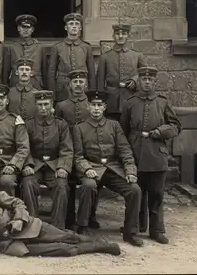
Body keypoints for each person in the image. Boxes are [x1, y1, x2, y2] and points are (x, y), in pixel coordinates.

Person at [0, 173, 121, 261]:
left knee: (67, 236)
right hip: (12, 242)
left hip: (29, 226)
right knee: (63, 249)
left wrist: (20, 220)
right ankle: (98, 248)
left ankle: (101, 243)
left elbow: (18, 203)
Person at [73, 90, 143, 246]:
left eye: (99, 105)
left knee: (134, 189)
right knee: (88, 185)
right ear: (87, 106)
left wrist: (130, 171)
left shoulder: (114, 125)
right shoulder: (79, 128)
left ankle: (130, 231)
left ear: (104, 107)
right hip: (91, 167)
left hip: (112, 168)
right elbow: (77, 156)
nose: (96, 109)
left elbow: (125, 150)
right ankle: (82, 226)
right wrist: (86, 169)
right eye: (93, 105)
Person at [120, 67, 182, 244]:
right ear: (139, 81)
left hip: (157, 154)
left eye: (150, 80)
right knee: (136, 192)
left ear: (155, 82)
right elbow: (123, 131)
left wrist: (160, 131)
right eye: (144, 79)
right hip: (136, 153)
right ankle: (136, 226)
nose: (147, 82)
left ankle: (156, 230)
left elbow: (176, 126)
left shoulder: (162, 102)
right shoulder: (130, 103)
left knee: (156, 194)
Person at [55, 69, 101, 230]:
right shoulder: (62, 105)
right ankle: (68, 217)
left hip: (86, 150)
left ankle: (90, 216)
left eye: (81, 81)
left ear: (86, 84)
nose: (78, 84)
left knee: (92, 182)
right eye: (75, 81)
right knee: (68, 181)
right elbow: (58, 127)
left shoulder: (91, 105)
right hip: (67, 148)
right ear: (69, 85)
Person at [23, 90, 73, 229]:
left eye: (46, 104)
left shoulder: (61, 124)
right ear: (36, 105)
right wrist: (27, 165)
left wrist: (62, 167)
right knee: (28, 184)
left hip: (54, 166)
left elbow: (66, 148)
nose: (43, 108)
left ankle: (58, 228)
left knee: (62, 186)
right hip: (35, 165)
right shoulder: (29, 124)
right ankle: (32, 225)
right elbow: (24, 147)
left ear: (52, 104)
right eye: (40, 104)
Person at [97, 22, 147, 121]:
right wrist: (100, 103)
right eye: (117, 33)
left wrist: (135, 80)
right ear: (113, 36)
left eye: (123, 34)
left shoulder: (137, 56)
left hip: (131, 98)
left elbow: (145, 75)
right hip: (111, 101)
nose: (120, 36)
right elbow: (100, 82)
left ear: (128, 36)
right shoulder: (105, 57)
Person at [48, 13, 95, 102]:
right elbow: (51, 73)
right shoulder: (57, 47)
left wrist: (92, 93)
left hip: (82, 88)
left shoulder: (86, 47)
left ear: (80, 28)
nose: (74, 27)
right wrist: (52, 95)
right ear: (66, 27)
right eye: (71, 24)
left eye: (77, 24)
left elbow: (91, 72)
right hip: (62, 88)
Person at [4, 14, 47, 89]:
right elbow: (6, 72)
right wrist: (5, 87)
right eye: (23, 27)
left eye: (28, 27)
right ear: (18, 28)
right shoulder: (11, 47)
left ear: (32, 29)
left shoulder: (40, 47)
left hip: (35, 85)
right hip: (15, 86)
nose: (25, 30)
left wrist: (46, 88)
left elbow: (45, 71)